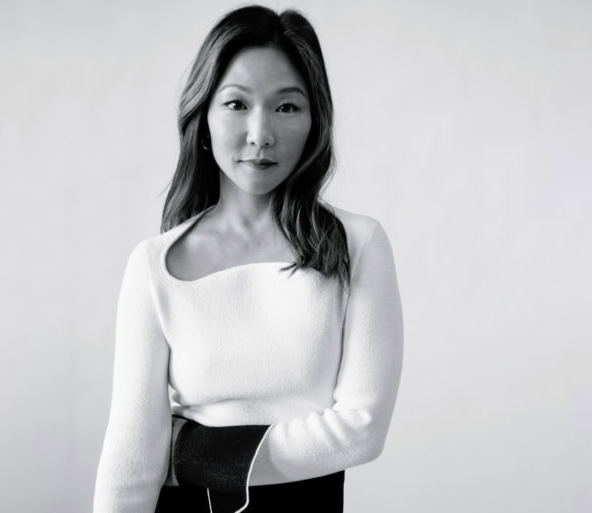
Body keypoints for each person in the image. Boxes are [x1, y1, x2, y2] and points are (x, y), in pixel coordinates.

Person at [92, 5, 403, 513]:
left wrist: (188, 453)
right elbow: (130, 461)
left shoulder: (356, 245)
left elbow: (362, 429)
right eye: (237, 104)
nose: (261, 134)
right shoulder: (153, 265)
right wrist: (170, 457)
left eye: (287, 107)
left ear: (315, 121)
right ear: (204, 117)